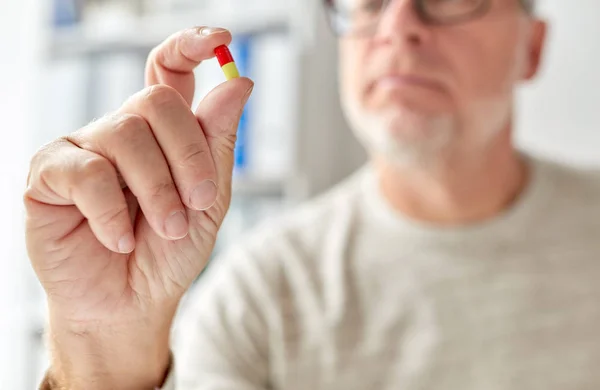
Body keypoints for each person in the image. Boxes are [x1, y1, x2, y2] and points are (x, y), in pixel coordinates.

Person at [26, 0, 600, 388]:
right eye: (369, 2)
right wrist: (101, 347)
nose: (398, 24)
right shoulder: (258, 296)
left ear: (531, 46)